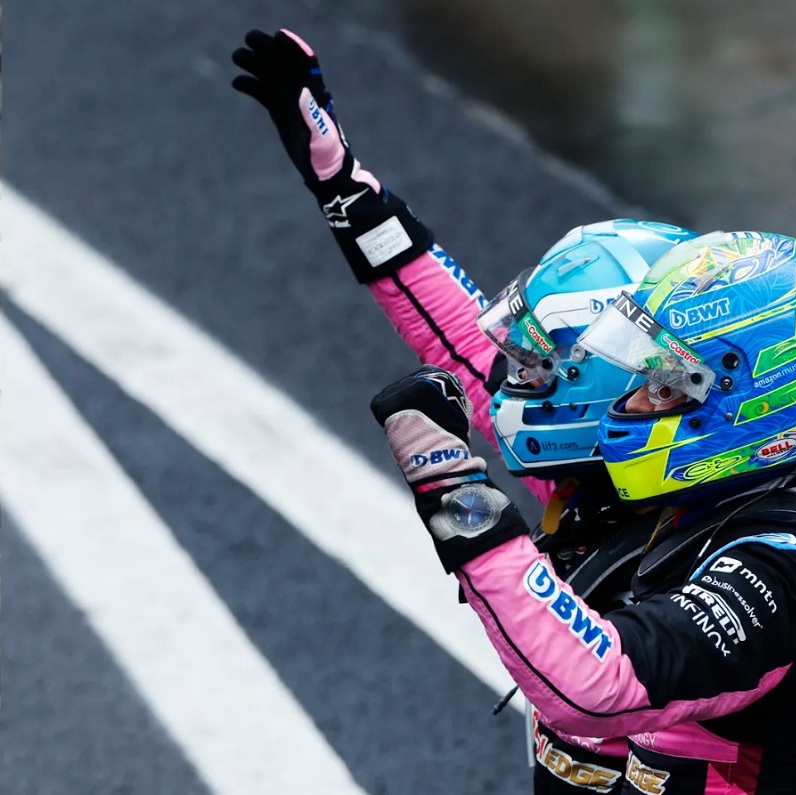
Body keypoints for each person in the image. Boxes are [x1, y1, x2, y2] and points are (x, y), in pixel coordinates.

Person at [230, 28, 706, 792]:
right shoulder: (601, 466)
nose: (524, 383)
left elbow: (593, 687)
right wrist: (343, 185)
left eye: (555, 367)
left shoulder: (767, 563)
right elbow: (457, 337)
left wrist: (459, 495)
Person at [371, 231, 796, 793]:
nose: (627, 406)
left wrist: (455, 492)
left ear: (766, 398)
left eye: (664, 388)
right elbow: (474, 355)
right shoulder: (718, 504)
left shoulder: (790, 571)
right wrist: (357, 204)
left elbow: (596, 685)